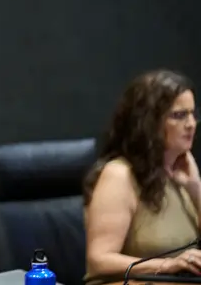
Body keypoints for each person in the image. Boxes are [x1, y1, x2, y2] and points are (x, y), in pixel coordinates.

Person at [83, 69, 200, 285]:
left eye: (193, 114)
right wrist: (167, 265)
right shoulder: (119, 175)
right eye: (179, 115)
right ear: (149, 123)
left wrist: (195, 189)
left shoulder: (182, 174)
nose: (191, 123)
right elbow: (99, 260)